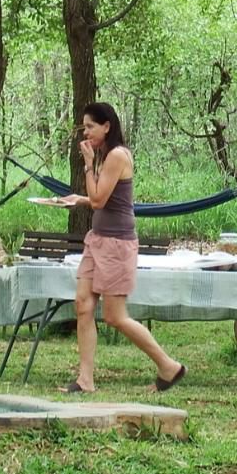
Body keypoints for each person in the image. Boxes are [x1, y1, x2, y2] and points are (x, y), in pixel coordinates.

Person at [58, 101, 185, 395]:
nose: (86, 132)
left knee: (115, 315)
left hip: (117, 244)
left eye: (90, 126)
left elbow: (100, 200)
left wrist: (88, 166)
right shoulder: (104, 156)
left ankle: (168, 365)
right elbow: (100, 199)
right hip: (97, 238)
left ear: (107, 126)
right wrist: (79, 198)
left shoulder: (116, 156)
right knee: (83, 304)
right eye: (84, 126)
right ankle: (85, 379)